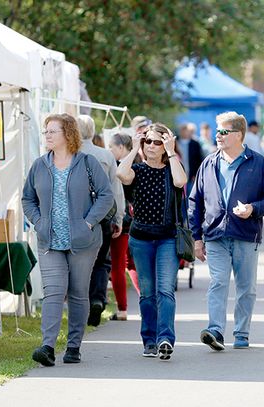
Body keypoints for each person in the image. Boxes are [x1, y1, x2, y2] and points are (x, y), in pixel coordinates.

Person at [22, 113, 113, 366]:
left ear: (68, 134)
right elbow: (27, 199)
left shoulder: (87, 163)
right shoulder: (40, 165)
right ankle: (47, 346)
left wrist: (88, 223)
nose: (47, 135)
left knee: (77, 293)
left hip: (83, 240)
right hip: (49, 240)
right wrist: (38, 222)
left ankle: (74, 346)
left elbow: (106, 196)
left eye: (53, 131)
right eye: (46, 131)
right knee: (53, 292)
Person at [189, 111, 264, 351]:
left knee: (246, 287)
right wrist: (196, 238)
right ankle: (215, 330)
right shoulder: (209, 162)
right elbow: (194, 201)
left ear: (238, 135)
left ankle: (241, 333)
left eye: (223, 132)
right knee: (218, 282)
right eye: (217, 131)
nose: (218, 136)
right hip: (215, 234)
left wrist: (253, 209)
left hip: (246, 235)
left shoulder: (257, 162)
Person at [116, 123, 187, 360]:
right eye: (149, 141)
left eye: (158, 142)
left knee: (165, 291)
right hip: (141, 239)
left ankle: (165, 338)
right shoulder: (137, 169)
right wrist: (134, 147)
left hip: (167, 239)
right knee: (147, 293)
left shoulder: (172, 168)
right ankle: (149, 340)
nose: (153, 146)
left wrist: (172, 152)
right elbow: (120, 174)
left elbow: (180, 181)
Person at [77, 115, 125, 327]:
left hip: (76, 216)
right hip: (103, 216)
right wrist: (119, 217)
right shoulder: (105, 155)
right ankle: (97, 298)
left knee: (77, 261)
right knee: (101, 262)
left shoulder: (68, 155)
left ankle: (83, 303)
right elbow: (116, 191)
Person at [107, 132, 141, 320]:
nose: (110, 150)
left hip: (122, 220)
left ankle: (122, 309)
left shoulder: (121, 167)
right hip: (137, 221)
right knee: (132, 264)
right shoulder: (140, 164)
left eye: (112, 147)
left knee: (118, 265)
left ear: (121, 148)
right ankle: (145, 299)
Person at [177, 123, 204, 194]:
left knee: (191, 196)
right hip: (177, 176)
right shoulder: (175, 142)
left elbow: (199, 160)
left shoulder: (195, 144)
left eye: (186, 130)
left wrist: (196, 174)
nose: (184, 132)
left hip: (191, 176)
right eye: (182, 130)